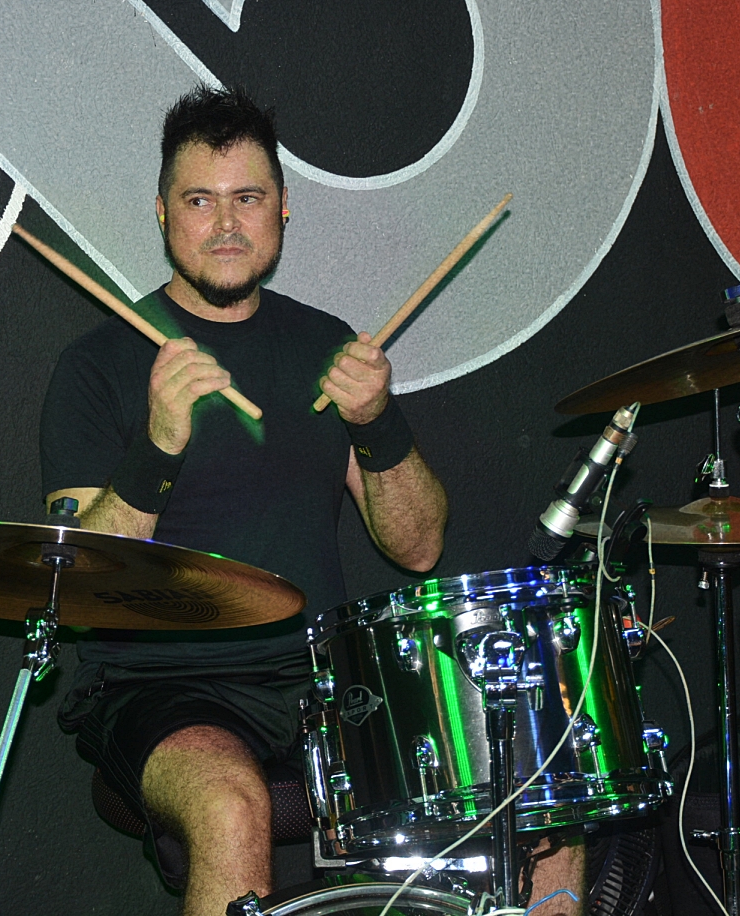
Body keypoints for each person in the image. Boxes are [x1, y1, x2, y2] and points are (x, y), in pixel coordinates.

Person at [39, 86, 578, 915]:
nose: (225, 223)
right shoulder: (98, 363)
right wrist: (158, 442)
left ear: (283, 209)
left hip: (322, 682)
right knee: (230, 804)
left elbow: (418, 547)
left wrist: (376, 420)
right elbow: (73, 586)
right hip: (157, 685)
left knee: (537, 790)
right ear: (162, 213)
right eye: (199, 200)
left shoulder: (326, 344)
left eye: (248, 198)